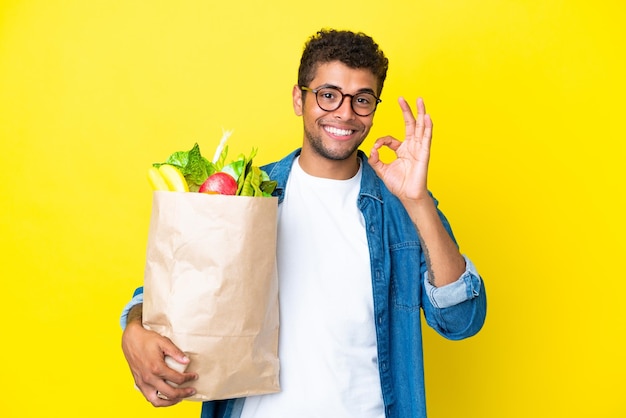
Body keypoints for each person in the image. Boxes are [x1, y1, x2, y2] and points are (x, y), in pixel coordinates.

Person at [120, 28, 487, 418]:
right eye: (328, 95)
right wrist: (134, 325)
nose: (344, 113)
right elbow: (171, 291)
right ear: (299, 98)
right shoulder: (247, 193)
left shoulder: (403, 207)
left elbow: (461, 320)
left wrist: (418, 201)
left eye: (361, 100)